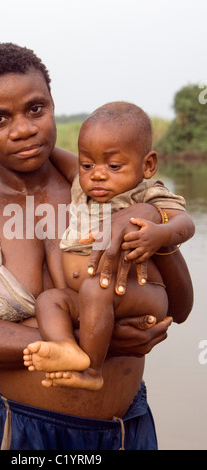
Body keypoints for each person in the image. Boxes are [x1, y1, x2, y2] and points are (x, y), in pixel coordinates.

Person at [0, 43, 194, 451]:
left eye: (35, 109)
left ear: (52, 102)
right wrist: (87, 346)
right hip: (30, 435)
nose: (23, 129)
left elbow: (180, 308)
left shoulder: (104, 185)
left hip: (130, 429)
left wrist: (148, 216)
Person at [23, 102, 195, 391]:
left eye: (114, 166)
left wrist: (160, 233)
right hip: (91, 299)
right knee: (50, 300)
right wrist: (34, 136)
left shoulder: (146, 194)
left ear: (148, 164)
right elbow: (54, 152)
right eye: (88, 165)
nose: (98, 175)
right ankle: (66, 346)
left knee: (94, 288)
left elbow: (185, 223)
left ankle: (92, 372)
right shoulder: (82, 186)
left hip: (140, 293)